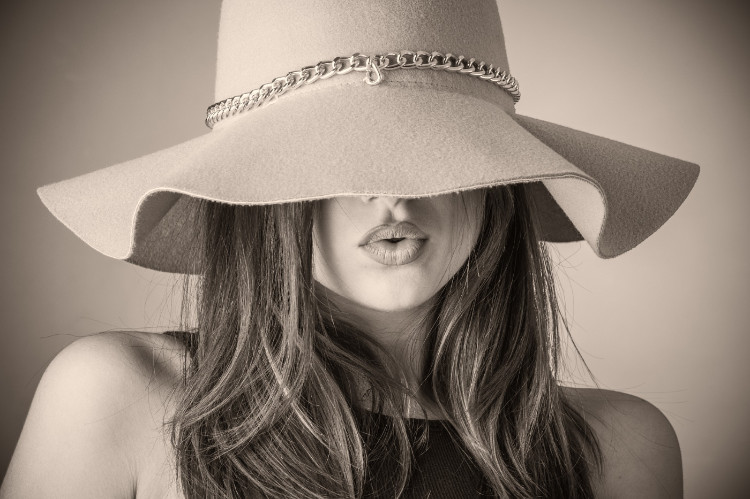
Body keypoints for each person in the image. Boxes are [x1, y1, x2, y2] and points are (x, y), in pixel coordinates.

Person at [1, 0, 698, 497]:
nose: (387, 193)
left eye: (431, 148)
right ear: (258, 194)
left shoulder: (618, 451)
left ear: (499, 182)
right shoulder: (118, 397)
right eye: (329, 158)